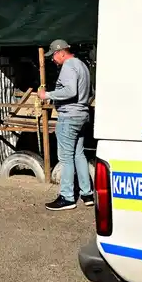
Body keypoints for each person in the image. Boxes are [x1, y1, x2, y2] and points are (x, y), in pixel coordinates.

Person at [38, 39, 94, 211]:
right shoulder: (82, 65)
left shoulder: (69, 66)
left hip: (69, 117)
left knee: (66, 158)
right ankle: (87, 194)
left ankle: (67, 197)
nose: (53, 60)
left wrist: (47, 94)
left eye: (53, 56)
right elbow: (90, 92)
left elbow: (70, 91)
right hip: (82, 115)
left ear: (61, 52)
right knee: (79, 154)